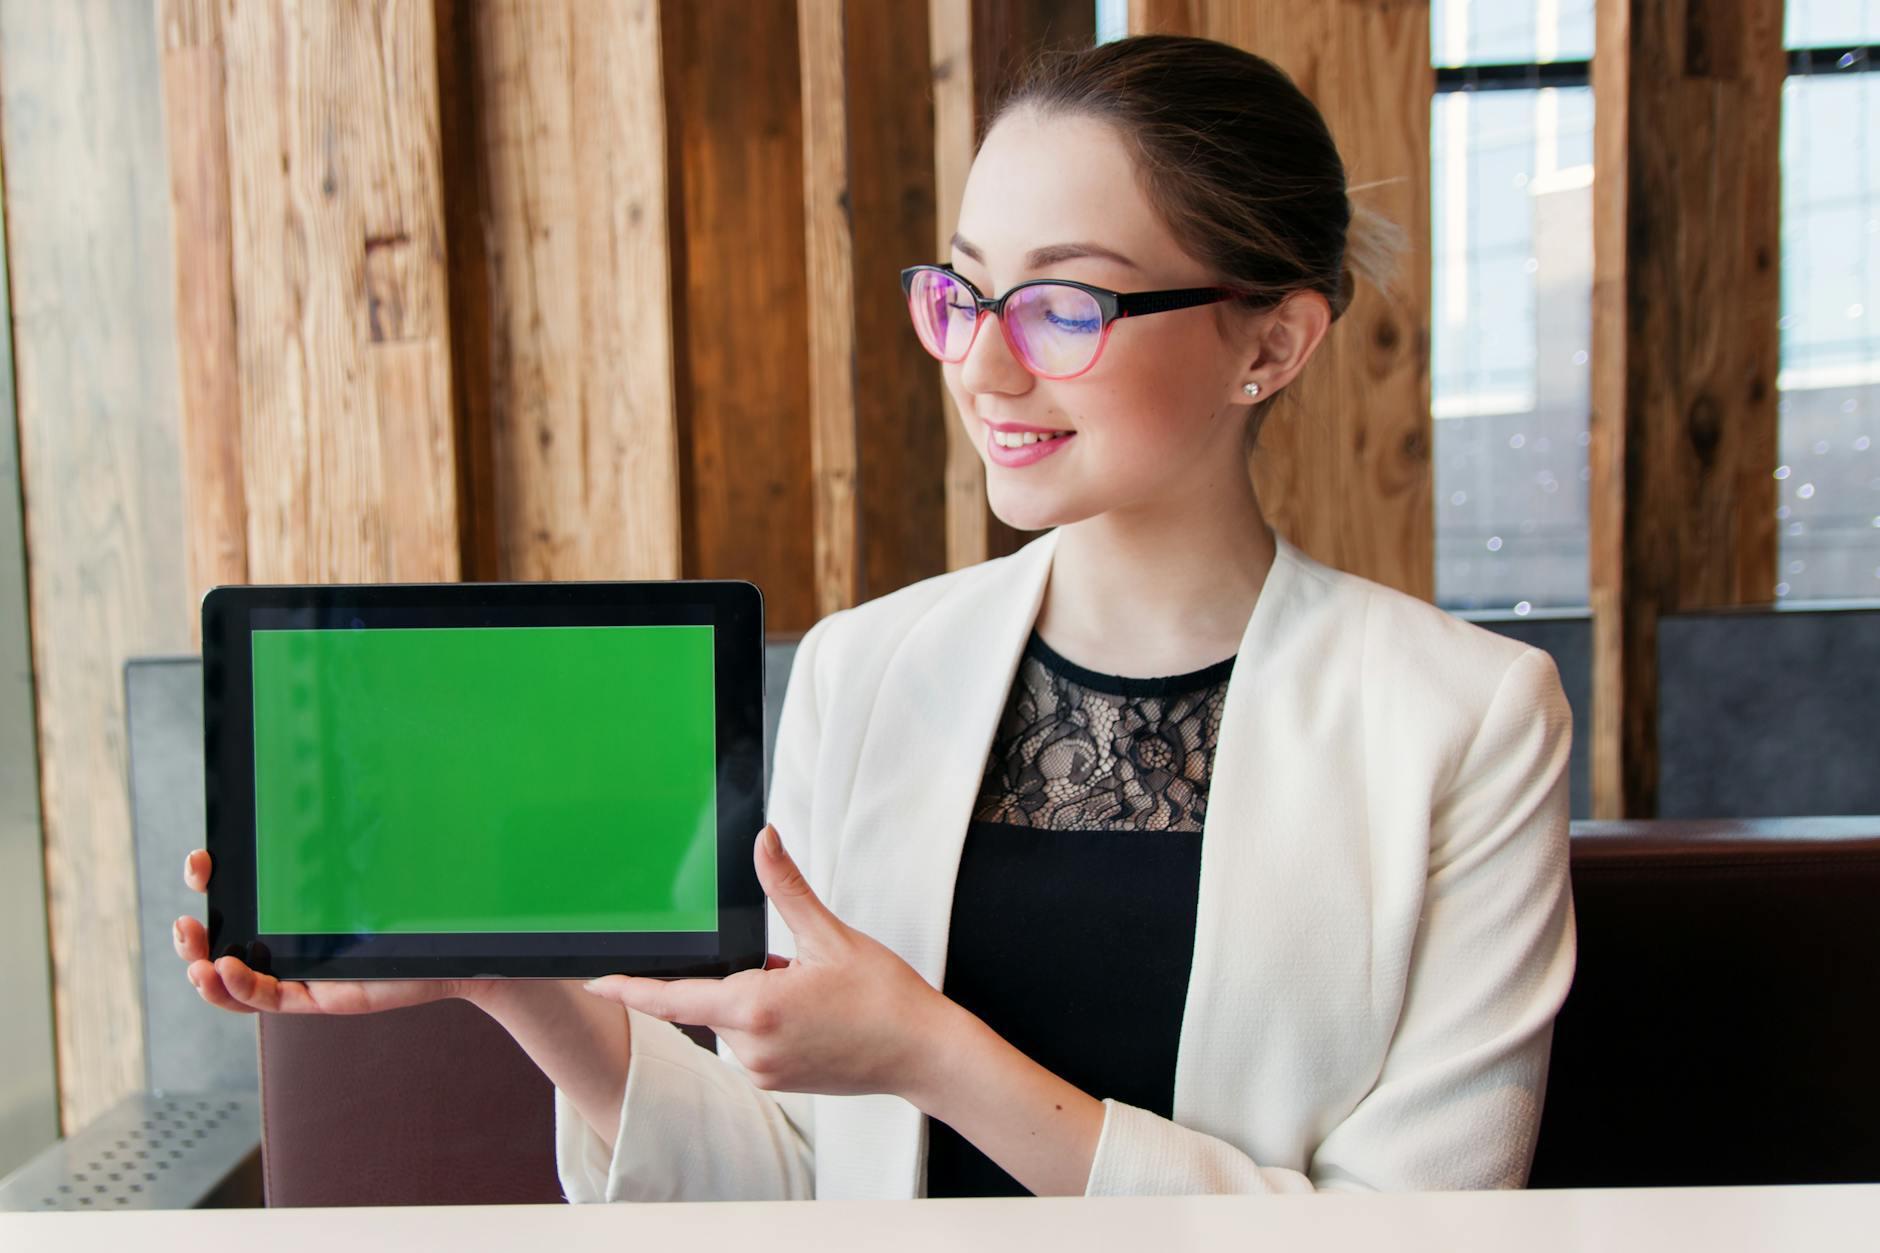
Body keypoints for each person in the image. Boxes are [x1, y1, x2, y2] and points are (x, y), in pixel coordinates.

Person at [175, 34, 1574, 1202]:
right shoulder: (869, 667)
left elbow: (1421, 1232)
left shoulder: (1468, 721)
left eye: (1063, 305)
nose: (981, 360)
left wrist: (931, 1051)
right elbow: (787, 1184)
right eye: (961, 291)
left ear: (1270, 342)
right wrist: (511, 976)